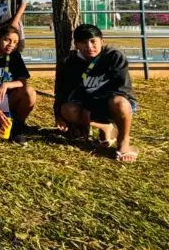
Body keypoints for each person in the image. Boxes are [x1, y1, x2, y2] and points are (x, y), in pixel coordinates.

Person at [56, 24, 138, 162]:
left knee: (120, 103)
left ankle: (124, 141)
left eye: (93, 41)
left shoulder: (114, 56)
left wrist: (91, 106)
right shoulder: (71, 62)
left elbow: (121, 89)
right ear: (76, 45)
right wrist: (58, 115)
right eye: (83, 42)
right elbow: (63, 91)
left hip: (112, 103)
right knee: (67, 110)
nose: (89, 46)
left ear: (102, 41)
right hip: (87, 104)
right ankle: (105, 127)